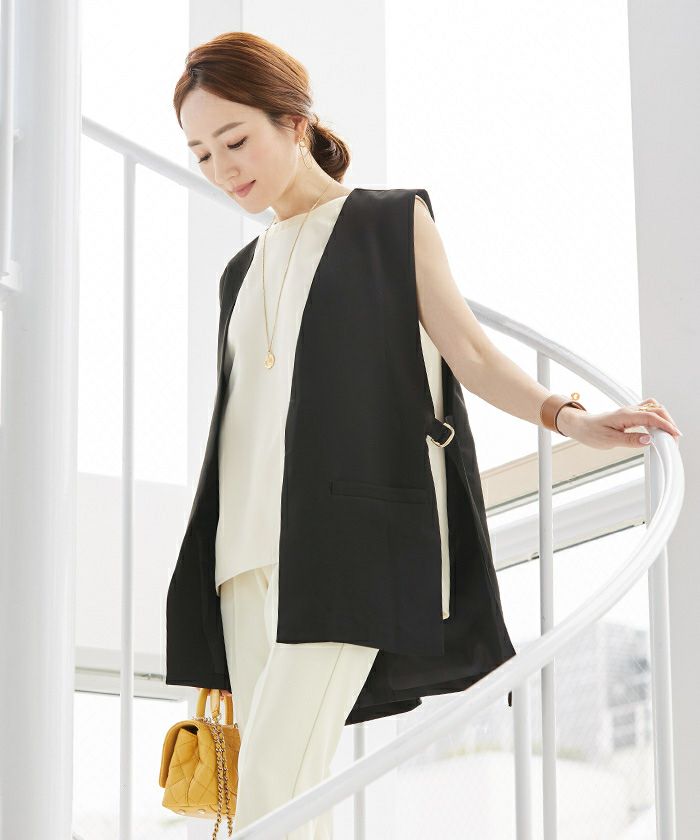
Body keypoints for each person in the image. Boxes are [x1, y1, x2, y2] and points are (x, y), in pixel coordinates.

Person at [170, 31, 682, 839]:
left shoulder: (386, 223)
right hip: (241, 558)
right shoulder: (239, 273)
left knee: (272, 785)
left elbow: (470, 353)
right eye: (202, 154)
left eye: (235, 141)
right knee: (289, 796)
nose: (223, 169)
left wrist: (570, 417)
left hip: (342, 542)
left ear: (295, 122)